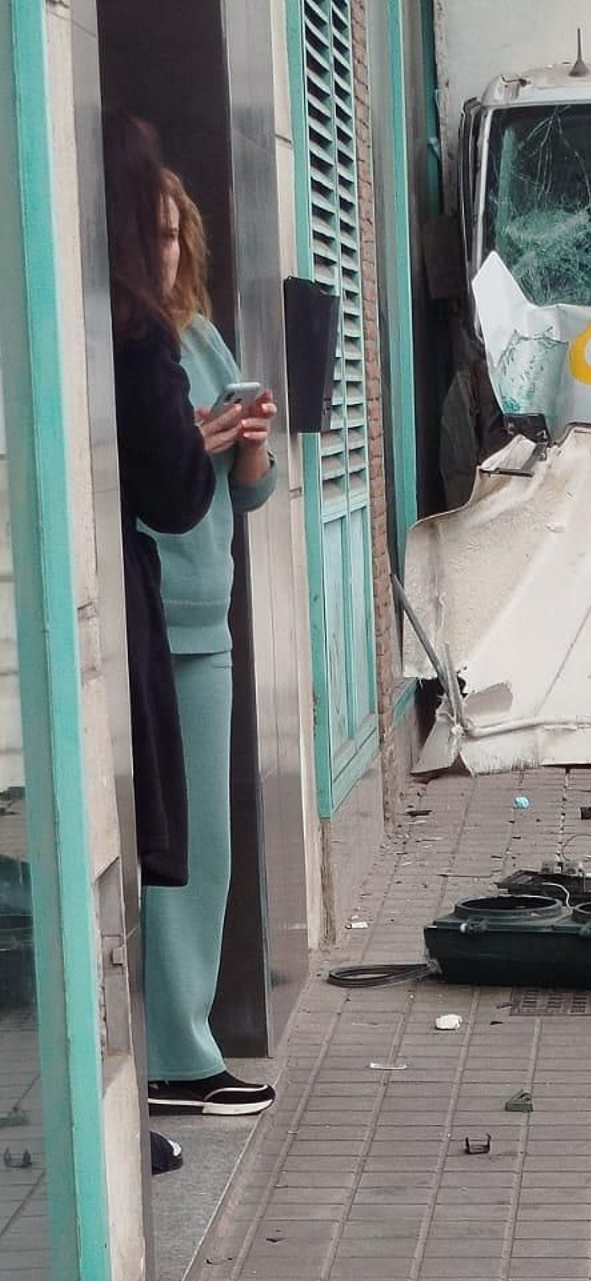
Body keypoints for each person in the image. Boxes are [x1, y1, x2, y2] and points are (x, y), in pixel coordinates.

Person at [141, 171, 279, 1121]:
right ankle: (177, 1056)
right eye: (150, 236)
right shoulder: (125, 344)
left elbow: (248, 492)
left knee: (211, 848)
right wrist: (193, 437)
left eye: (174, 235)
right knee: (169, 850)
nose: (167, 253)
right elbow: (138, 475)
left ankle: (184, 1041)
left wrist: (249, 438)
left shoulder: (193, 333)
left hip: (211, 611)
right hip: (151, 613)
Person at [101, 111, 216, 1175]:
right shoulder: (137, 333)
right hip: (114, 621)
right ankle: (112, 1110)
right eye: (162, 229)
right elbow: (177, 492)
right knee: (118, 861)